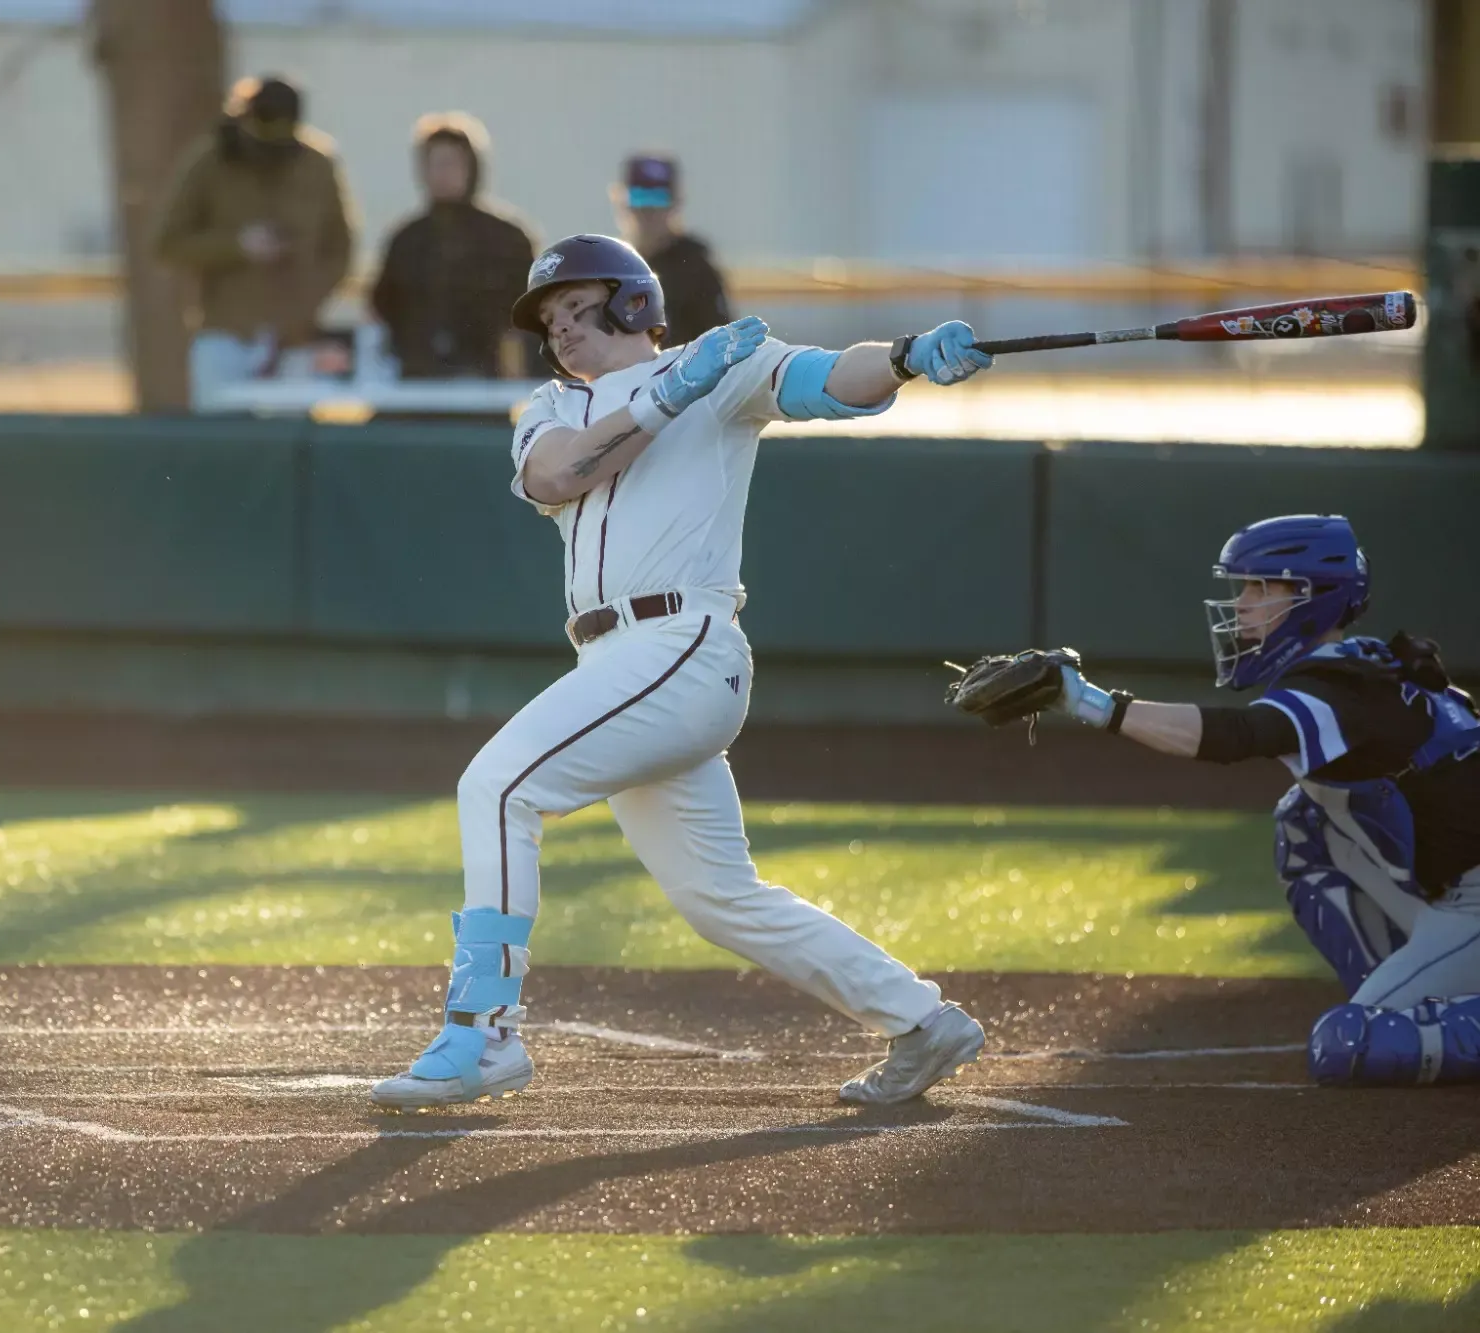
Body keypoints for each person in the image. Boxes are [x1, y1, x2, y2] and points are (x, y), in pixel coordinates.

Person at [369, 234, 996, 1111]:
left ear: (633, 304)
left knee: (500, 787)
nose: (562, 333)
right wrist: (667, 397)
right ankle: (922, 1020)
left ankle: (483, 1032)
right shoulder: (552, 406)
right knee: (717, 896)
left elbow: (830, 379)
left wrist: (905, 357)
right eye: (550, 321)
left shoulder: (724, 370)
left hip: (682, 644)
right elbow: (556, 476)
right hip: (616, 660)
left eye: (577, 310)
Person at [994, 514, 1480, 1086]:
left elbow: (1236, 737)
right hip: (1449, 888)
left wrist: (1091, 703)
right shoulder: (1363, 665)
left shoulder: (1342, 688)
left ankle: (1403, 1008)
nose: (1243, 603)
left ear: (1311, 597)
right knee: (1303, 825)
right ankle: (1403, 988)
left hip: (1470, 904)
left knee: (1351, 1047)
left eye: (1260, 587)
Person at [152, 76, 357, 407]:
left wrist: (309, 298)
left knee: (293, 445)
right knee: (222, 439)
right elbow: (167, 243)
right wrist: (237, 246)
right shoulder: (211, 163)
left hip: (295, 336)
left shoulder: (317, 166)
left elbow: (340, 247)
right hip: (227, 333)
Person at [370, 114, 537, 380]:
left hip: (486, 380)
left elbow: (529, 313)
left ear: (472, 168)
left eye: (451, 163)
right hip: (417, 379)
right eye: (434, 164)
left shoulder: (507, 239)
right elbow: (384, 306)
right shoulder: (406, 240)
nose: (442, 173)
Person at [612, 155, 730, 347]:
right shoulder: (609, 262)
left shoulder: (695, 266)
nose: (649, 209)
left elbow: (722, 339)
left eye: (659, 198)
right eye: (639, 196)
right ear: (620, 199)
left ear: (677, 202)